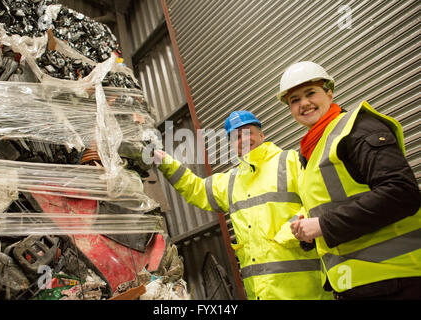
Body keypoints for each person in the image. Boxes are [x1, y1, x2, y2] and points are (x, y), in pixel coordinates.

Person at [277, 61, 421, 300]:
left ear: (329, 93)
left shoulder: (357, 130)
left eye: (310, 93)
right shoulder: (312, 150)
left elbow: (401, 192)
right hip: (355, 283)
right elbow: (338, 204)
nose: (303, 103)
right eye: (294, 100)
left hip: (397, 281)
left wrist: (323, 225)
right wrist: (307, 229)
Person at [153, 110, 333, 300]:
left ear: (261, 135)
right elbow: (194, 188)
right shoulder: (230, 182)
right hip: (259, 294)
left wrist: (290, 232)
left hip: (306, 291)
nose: (243, 140)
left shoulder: (290, 161)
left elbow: (318, 202)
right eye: (236, 137)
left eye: (248, 133)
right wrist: (165, 162)